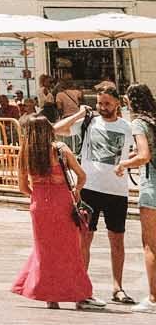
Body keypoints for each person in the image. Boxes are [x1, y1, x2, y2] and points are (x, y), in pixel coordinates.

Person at [53, 79, 138, 306]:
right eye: (100, 103)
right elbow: (55, 130)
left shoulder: (127, 127)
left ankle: (118, 287)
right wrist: (79, 115)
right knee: (85, 238)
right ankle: (82, 286)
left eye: (107, 103)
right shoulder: (88, 123)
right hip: (90, 188)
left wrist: (128, 164)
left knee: (117, 239)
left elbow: (137, 153)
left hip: (117, 191)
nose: (103, 107)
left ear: (117, 104)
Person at [11, 112, 99, 309]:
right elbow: (81, 175)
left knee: (44, 251)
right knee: (70, 250)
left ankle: (50, 296)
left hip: (40, 204)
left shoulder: (25, 153)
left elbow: (23, 187)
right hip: (62, 203)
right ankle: (77, 293)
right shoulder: (60, 149)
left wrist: (38, 194)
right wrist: (76, 190)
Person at [122, 83, 156, 312]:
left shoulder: (138, 123)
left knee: (150, 245)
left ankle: (153, 298)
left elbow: (145, 155)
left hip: (152, 187)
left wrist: (125, 162)